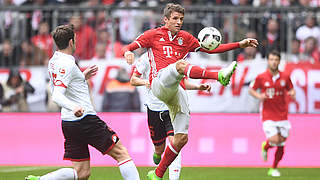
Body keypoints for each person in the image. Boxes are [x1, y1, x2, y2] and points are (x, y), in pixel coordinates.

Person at [122, 3, 258, 179]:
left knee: (181, 139)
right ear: (166, 20)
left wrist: (239, 44)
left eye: (181, 19)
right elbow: (128, 47)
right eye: (175, 19)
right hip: (158, 85)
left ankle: (158, 174)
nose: (179, 22)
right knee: (180, 65)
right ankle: (218, 76)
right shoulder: (153, 35)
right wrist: (127, 53)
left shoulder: (185, 38)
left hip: (176, 91)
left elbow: (211, 49)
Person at [25, 24, 140, 180]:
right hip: (84, 119)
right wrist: (74, 107)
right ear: (71, 42)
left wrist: (81, 77)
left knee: (82, 173)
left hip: (68, 122)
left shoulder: (54, 61)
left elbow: (61, 84)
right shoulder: (67, 64)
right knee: (121, 153)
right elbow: (57, 95)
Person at [130, 53, 212, 180]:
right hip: (154, 109)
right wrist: (146, 82)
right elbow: (133, 80)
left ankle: (173, 178)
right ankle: (158, 154)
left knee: (175, 142)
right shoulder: (145, 58)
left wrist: (198, 87)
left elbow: (182, 83)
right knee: (159, 149)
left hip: (171, 107)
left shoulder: (173, 56)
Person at [249, 50, 296, 177]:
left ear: (279, 61)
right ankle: (266, 146)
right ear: (268, 61)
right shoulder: (261, 77)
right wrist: (259, 96)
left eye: (276, 59)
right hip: (268, 113)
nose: (274, 62)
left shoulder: (285, 77)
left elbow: (291, 89)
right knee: (275, 139)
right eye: (271, 59)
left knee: (282, 142)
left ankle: (273, 168)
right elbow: (251, 90)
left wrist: (292, 93)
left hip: (282, 114)